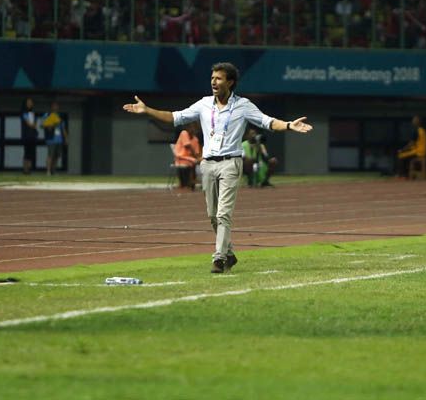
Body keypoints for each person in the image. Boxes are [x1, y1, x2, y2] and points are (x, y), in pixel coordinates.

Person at [123, 62, 313, 273]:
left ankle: (219, 259)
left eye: (219, 78)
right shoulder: (204, 104)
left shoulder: (243, 105)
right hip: (208, 164)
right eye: (212, 78)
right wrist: (147, 110)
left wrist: (289, 125)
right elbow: (175, 117)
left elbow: (267, 122)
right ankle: (229, 254)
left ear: (230, 82)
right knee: (213, 215)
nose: (213, 82)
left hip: (230, 163)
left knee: (223, 214)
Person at [174, 121, 202, 190]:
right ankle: (189, 182)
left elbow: (197, 152)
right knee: (194, 161)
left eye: (195, 129)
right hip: (181, 157)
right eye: (192, 128)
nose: (193, 130)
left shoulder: (195, 139)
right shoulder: (184, 133)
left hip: (190, 158)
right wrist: (196, 157)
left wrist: (199, 157)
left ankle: (194, 182)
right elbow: (188, 146)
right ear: (188, 128)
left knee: (200, 161)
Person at [41, 101, 67, 175]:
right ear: (51, 107)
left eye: (56, 106)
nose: (55, 107)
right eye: (53, 106)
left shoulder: (60, 116)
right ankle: (48, 171)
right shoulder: (47, 115)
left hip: (59, 139)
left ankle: (53, 171)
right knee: (50, 155)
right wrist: (51, 124)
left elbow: (63, 128)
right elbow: (42, 125)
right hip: (51, 139)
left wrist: (66, 138)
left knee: (57, 156)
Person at [20, 97, 38, 174]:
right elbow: (29, 123)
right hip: (26, 135)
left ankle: (29, 169)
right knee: (26, 153)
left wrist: (34, 127)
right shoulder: (24, 113)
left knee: (31, 153)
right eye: (28, 102)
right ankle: (25, 169)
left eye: (31, 102)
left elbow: (35, 124)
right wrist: (33, 125)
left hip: (33, 136)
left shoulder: (33, 113)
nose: (30, 104)